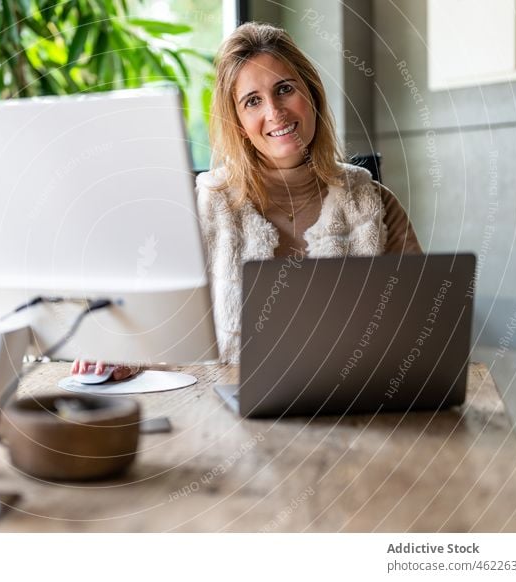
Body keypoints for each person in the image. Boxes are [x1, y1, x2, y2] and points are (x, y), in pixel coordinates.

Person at [74, 21, 421, 375]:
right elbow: (156, 330)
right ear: (239, 123)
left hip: (351, 413)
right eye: (252, 101)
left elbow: (423, 325)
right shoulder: (203, 208)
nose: (274, 112)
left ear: (312, 94)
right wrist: (122, 351)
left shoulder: (374, 203)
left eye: (284, 89)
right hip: (227, 418)